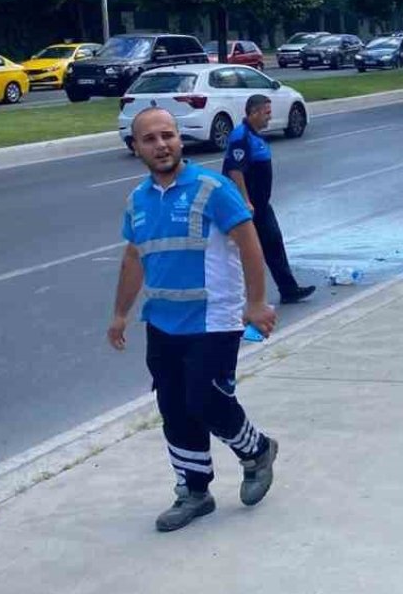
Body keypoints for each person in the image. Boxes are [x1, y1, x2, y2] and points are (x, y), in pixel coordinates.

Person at [108, 108, 280, 533]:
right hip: (163, 323)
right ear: (136, 148)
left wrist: (257, 303)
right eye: (149, 139)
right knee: (174, 407)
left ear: (180, 140)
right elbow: (133, 258)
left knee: (205, 400)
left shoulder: (212, 187)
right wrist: (119, 314)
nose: (161, 144)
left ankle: (256, 451)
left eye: (167, 135)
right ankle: (194, 491)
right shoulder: (138, 201)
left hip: (214, 319)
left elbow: (249, 243)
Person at [223, 94, 316, 305]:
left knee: (273, 244)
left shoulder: (256, 135)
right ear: (254, 113)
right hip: (247, 208)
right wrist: (246, 201)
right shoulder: (241, 137)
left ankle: (289, 290)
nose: (269, 117)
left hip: (261, 206)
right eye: (266, 113)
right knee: (244, 251)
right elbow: (235, 171)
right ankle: (236, 298)